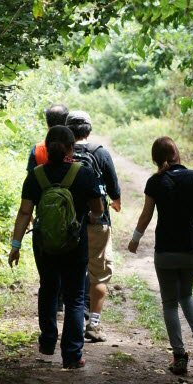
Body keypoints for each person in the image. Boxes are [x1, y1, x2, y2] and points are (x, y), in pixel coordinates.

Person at [9, 125, 103, 369]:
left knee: (49, 289)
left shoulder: (36, 176)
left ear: (47, 147)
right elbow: (98, 209)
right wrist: (89, 216)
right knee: (73, 297)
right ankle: (72, 355)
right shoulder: (83, 174)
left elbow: (24, 212)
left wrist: (16, 244)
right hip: (75, 244)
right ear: (71, 148)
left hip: (44, 245)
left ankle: (48, 342)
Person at [127, 136, 193, 375]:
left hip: (166, 251)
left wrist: (135, 239)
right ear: (177, 153)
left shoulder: (154, 182)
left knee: (170, 302)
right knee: (187, 294)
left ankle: (179, 356)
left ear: (155, 159)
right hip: (191, 249)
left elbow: (146, 215)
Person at [65, 109, 121, 344]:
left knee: (71, 274)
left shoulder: (60, 152)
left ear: (68, 130)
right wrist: (115, 203)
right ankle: (94, 325)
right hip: (97, 222)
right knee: (98, 276)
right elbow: (114, 192)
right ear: (89, 130)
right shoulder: (100, 153)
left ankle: (74, 323)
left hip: (66, 225)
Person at [26, 103, 70, 171]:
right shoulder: (73, 147)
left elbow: (30, 178)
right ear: (67, 123)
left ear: (47, 124)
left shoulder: (38, 149)